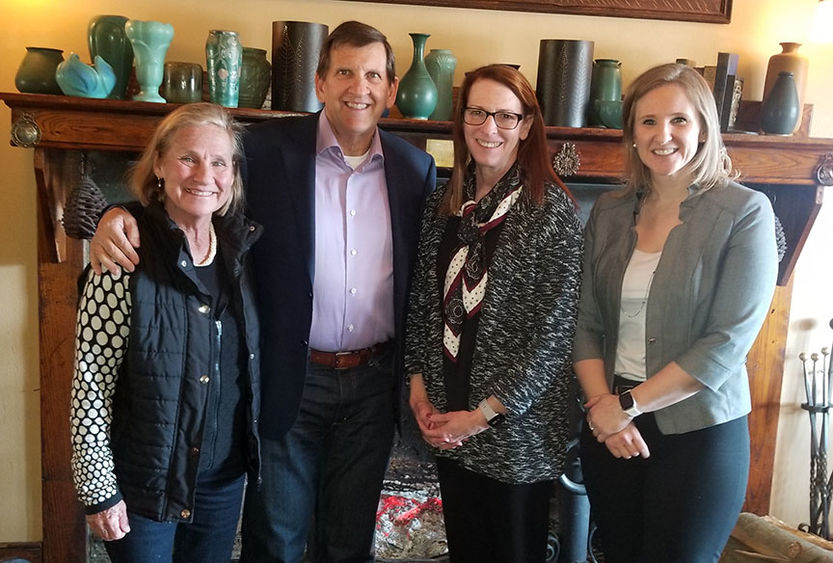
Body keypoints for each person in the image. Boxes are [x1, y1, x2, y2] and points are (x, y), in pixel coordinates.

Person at [89, 21, 436, 563]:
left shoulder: (416, 170)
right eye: (344, 71)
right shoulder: (265, 150)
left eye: (373, 74)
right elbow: (198, 197)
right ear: (320, 82)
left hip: (373, 383)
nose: (358, 87)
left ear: (392, 90)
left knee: (348, 543)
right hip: (285, 379)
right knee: (274, 539)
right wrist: (119, 214)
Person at [574, 63, 778, 563]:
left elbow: (726, 343)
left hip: (700, 435)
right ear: (632, 133)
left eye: (678, 121)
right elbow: (585, 322)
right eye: (647, 122)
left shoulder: (746, 212)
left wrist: (627, 406)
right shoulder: (610, 211)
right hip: (611, 429)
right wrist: (605, 409)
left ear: (703, 126)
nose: (662, 136)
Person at [70, 102, 262, 562]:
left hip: (221, 482)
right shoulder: (122, 252)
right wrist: (99, 490)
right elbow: (90, 383)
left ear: (232, 175)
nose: (204, 174)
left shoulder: (241, 251)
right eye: (188, 158)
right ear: (158, 164)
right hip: (145, 489)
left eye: (218, 162)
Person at [406, 64, 583, 562]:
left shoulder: (550, 211)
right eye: (478, 113)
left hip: (514, 436)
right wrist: (418, 389)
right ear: (461, 120)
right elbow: (423, 303)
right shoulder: (446, 203)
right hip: (447, 422)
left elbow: (555, 336)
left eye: (506, 116)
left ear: (527, 126)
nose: (490, 128)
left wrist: (483, 416)